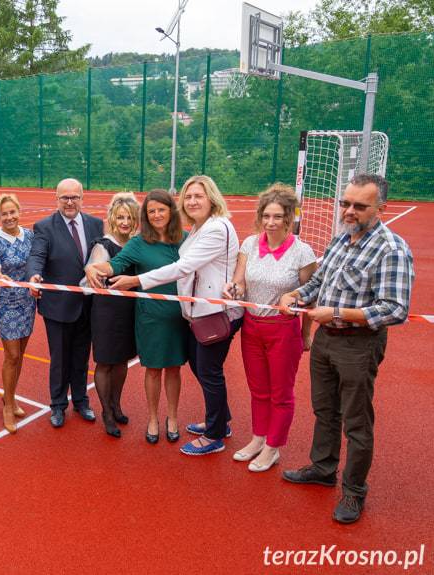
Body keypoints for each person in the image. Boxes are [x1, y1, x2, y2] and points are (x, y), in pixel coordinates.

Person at [279, 174, 414, 524]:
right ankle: (323, 468)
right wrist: (296, 295)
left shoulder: (392, 249)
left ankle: (354, 492)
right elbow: (320, 283)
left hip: (358, 345)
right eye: (345, 203)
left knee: (356, 421)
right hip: (326, 340)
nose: (349, 211)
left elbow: (394, 309)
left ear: (381, 209)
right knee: (325, 410)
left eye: (359, 205)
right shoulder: (341, 239)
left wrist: (338, 313)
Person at [107, 175, 242, 456]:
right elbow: (115, 262)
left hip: (209, 314)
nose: (192, 201)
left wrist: (136, 281)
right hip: (180, 316)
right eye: (188, 196)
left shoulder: (211, 229)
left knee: (207, 372)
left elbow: (184, 266)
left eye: (198, 196)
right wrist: (97, 268)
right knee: (201, 370)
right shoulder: (197, 230)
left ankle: (214, 433)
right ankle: (218, 421)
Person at [221, 184, 317, 472]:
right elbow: (239, 281)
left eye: (277, 217)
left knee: (281, 393)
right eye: (266, 216)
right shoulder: (250, 244)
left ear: (289, 218)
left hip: (283, 330)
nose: (270, 222)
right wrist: (233, 289)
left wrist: (306, 334)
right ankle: (258, 439)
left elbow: (310, 293)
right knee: (258, 389)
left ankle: (273, 447)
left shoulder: (302, 252)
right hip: (252, 327)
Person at [87, 189, 188, 443]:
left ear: (171, 212)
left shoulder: (186, 240)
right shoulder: (138, 242)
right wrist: (92, 267)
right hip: (150, 317)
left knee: (174, 370)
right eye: (151, 211)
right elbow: (115, 264)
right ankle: (153, 419)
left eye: (161, 210)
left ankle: (172, 418)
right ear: (146, 215)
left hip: (179, 317)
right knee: (153, 371)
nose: (156, 215)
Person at [25, 178, 104, 428]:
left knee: (81, 357)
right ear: (56, 199)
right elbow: (36, 256)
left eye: (74, 197)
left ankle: (81, 401)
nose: (70, 202)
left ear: (82, 198)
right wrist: (34, 277)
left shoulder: (95, 224)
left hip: (88, 306)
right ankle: (58, 405)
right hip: (58, 307)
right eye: (64, 198)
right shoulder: (44, 227)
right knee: (59, 359)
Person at [81, 192, 139, 437]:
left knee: (122, 360)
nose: (125, 222)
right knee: (105, 363)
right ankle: (106, 411)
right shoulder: (103, 245)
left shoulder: (136, 244)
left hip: (129, 312)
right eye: (120, 217)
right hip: (106, 313)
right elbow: (85, 283)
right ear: (112, 218)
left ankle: (116, 404)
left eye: (129, 217)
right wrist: (98, 281)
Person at [0, 193, 35, 434]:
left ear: (19, 212)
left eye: (12, 212)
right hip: (6, 302)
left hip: (28, 301)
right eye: (4, 213)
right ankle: (7, 405)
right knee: (12, 355)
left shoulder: (30, 236)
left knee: (22, 354)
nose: (9, 217)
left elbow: (37, 261)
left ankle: (12, 397)